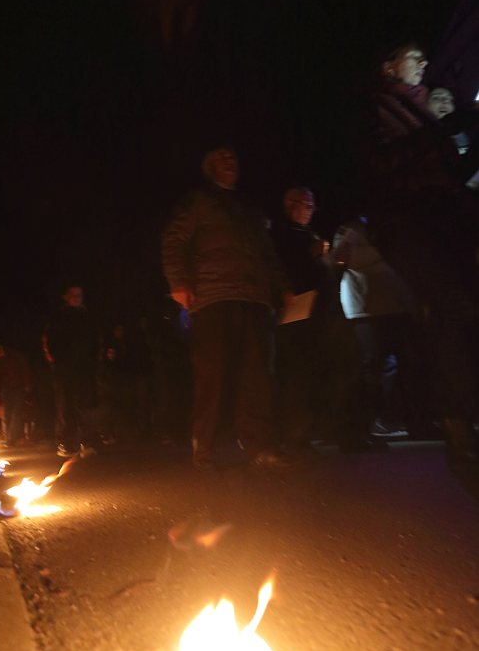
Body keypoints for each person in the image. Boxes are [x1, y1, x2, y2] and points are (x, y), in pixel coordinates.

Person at [361, 42, 479, 460]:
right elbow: (379, 165)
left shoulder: (425, 110)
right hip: (409, 222)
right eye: (415, 56)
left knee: (465, 310)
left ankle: (461, 415)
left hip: (448, 219)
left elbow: (449, 175)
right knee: (452, 306)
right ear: (390, 66)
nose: (425, 63)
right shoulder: (377, 108)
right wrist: (441, 132)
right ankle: (457, 420)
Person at [161, 146, 292, 470]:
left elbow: (267, 251)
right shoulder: (198, 201)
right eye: (221, 158)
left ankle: (259, 447)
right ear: (209, 168)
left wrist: (283, 287)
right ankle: (203, 446)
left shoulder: (249, 207)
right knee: (212, 373)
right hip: (213, 295)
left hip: (254, 297)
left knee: (257, 375)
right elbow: (174, 240)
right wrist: (178, 282)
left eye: (233, 157)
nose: (229, 161)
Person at [272, 188, 366, 451]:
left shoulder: (306, 236)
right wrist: (313, 257)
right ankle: (297, 434)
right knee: (300, 375)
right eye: (304, 205)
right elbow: (290, 272)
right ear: (289, 205)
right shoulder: (283, 236)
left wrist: (334, 262)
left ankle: (324, 431)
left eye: (312, 206)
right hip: (301, 314)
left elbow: (321, 274)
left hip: (322, 314)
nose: (309, 211)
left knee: (324, 373)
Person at [332, 218, 427, 440]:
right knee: (373, 368)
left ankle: (393, 420)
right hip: (366, 309)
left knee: (396, 367)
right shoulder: (352, 228)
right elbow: (340, 259)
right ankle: (364, 426)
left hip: (393, 306)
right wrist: (385, 256)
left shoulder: (382, 228)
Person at [42, 285, 99, 457]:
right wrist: (57, 361)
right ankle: (66, 443)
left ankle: (87, 442)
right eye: (73, 295)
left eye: (79, 295)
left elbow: (95, 340)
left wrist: (95, 362)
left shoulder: (88, 316)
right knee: (65, 406)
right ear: (66, 297)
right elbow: (50, 340)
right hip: (65, 368)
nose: (76, 297)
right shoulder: (58, 317)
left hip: (85, 369)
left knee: (85, 405)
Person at [0, 342, 32, 446]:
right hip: (6, 391)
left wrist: (27, 385)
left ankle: (15, 438)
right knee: (7, 414)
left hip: (19, 388)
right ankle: (9, 439)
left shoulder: (14, 356)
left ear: (0, 347)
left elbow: (24, 368)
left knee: (17, 414)